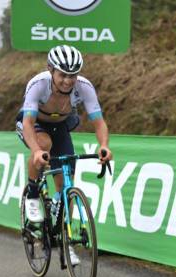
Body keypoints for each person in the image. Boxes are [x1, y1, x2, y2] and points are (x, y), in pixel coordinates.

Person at [16, 45, 113, 264]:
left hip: (60, 125)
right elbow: (28, 122)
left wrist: (104, 146)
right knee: (43, 143)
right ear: (51, 69)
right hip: (35, 124)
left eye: (73, 75)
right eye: (63, 75)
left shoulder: (85, 87)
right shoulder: (38, 85)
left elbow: (98, 121)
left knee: (65, 181)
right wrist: (37, 151)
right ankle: (33, 192)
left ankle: (64, 240)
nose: (68, 80)